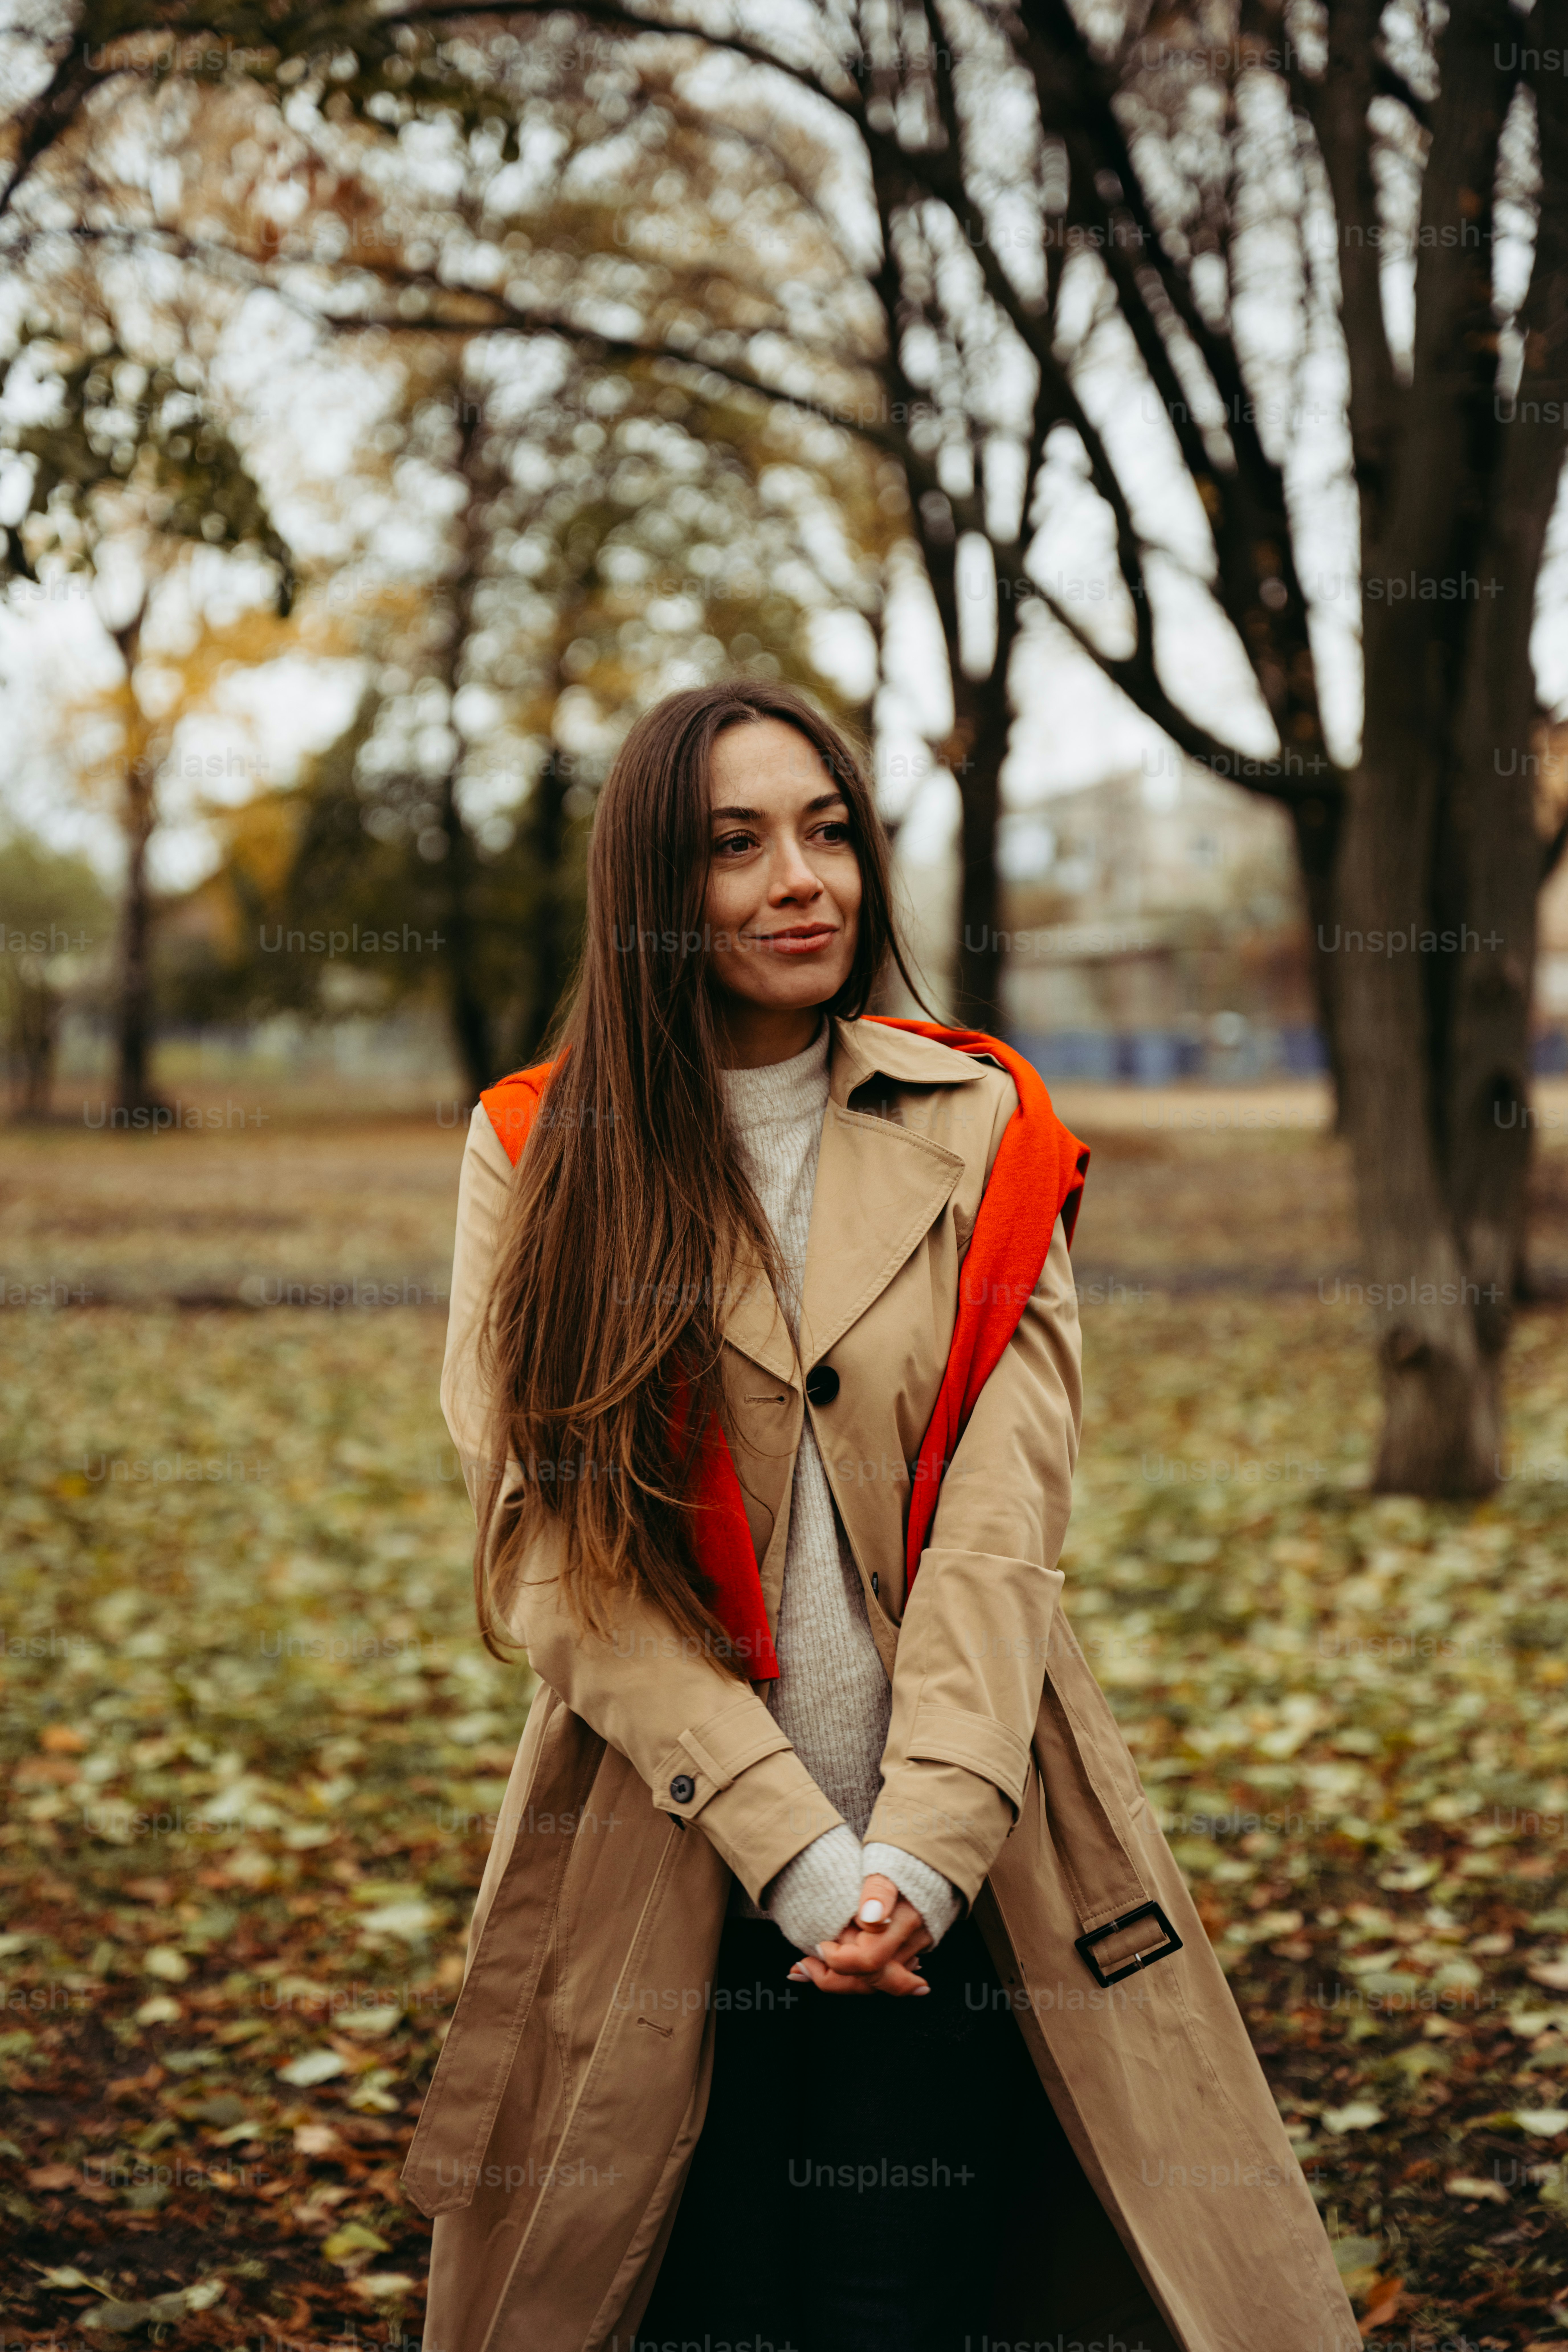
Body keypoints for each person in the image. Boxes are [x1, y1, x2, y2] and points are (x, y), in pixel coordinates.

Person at [401, 681, 1359, 2352]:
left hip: (970, 1863)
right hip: (661, 1850)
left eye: (829, 831)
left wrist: (915, 1851)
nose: (803, 881)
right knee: (683, 2301)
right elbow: (552, 1552)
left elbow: (1005, 1521)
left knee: (911, 2302)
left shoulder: (986, 1125)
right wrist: (796, 1851)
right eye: (736, 845)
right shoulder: (539, 1149)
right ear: (649, 888)